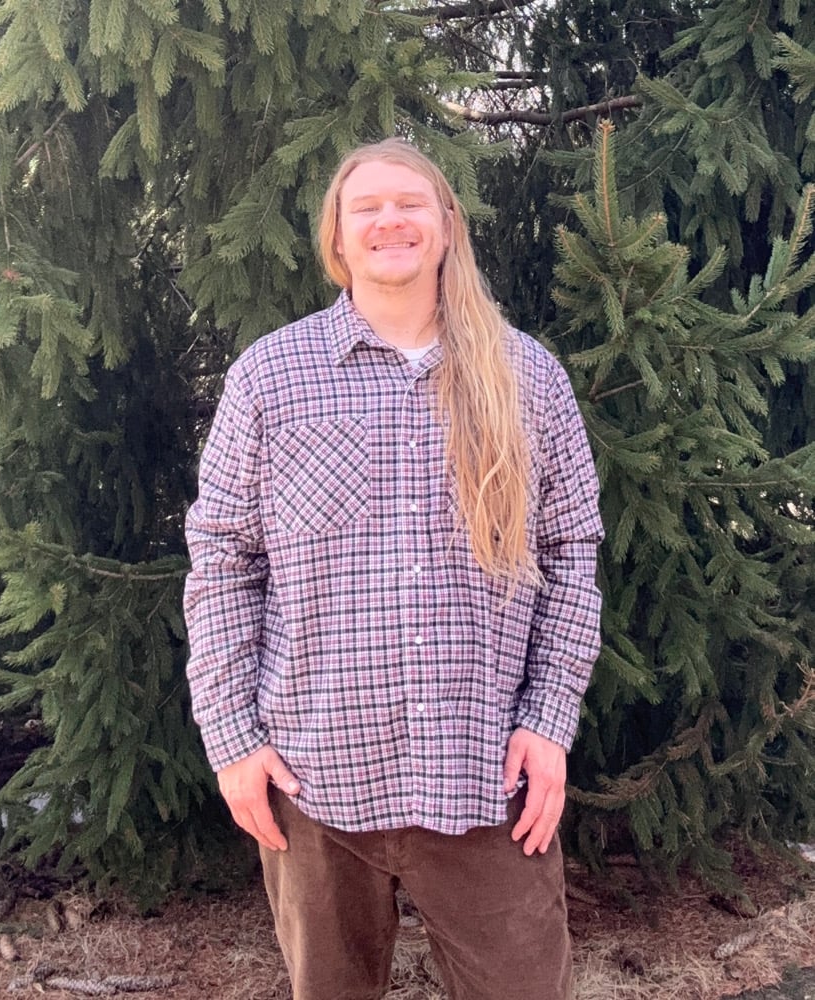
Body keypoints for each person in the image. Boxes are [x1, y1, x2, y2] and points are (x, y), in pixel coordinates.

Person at [183, 137, 603, 1000]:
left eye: (410, 203)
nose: (390, 221)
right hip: (315, 782)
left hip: (486, 779)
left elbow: (570, 554)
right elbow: (222, 559)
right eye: (365, 207)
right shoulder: (271, 378)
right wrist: (232, 740)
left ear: (447, 225)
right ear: (337, 237)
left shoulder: (528, 378)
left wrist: (550, 718)